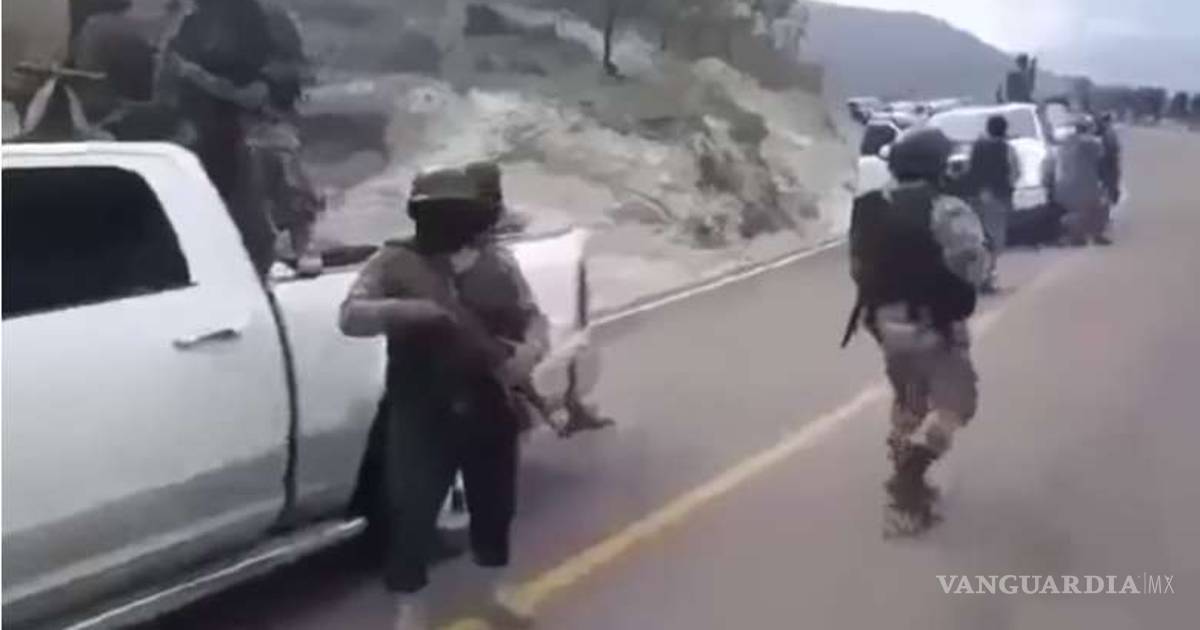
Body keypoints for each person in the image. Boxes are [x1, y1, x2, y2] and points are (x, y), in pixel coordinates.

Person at [339, 166, 546, 630]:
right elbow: (351, 316)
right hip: (420, 407)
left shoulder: (496, 263)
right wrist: (409, 311)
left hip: (489, 401)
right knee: (410, 513)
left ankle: (494, 592)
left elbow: (533, 318)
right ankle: (409, 610)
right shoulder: (394, 261)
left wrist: (529, 354)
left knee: (495, 506)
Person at [844, 128, 991, 537]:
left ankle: (910, 493)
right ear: (937, 167)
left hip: (886, 324)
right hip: (934, 324)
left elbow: (857, 266)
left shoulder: (868, 206)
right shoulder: (948, 209)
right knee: (955, 405)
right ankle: (910, 477)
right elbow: (972, 263)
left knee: (909, 402)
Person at [465, 159, 616, 437]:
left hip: (514, 293)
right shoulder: (491, 221)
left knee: (542, 343)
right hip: (505, 295)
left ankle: (562, 408)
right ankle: (559, 409)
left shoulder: (495, 220)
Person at [159, 0, 277, 274]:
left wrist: (196, 76)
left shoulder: (246, 22)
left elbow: (255, 93)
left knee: (244, 223)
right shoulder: (191, 23)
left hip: (230, 136)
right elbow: (169, 79)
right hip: (196, 135)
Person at [965, 114, 1020, 292]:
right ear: (1005, 130)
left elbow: (970, 169)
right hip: (997, 196)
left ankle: (978, 276)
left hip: (976, 196)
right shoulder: (1007, 148)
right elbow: (1014, 173)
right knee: (995, 239)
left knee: (979, 238)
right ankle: (987, 278)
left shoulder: (976, 147)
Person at [1056, 120, 1112, 246]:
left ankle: (1077, 236)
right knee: (1098, 208)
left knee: (1078, 210)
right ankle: (1095, 235)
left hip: (1066, 181)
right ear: (1089, 129)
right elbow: (1101, 158)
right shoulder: (1092, 142)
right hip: (1086, 180)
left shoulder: (1067, 142)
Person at [1096, 112, 1123, 206]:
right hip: (1109, 158)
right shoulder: (1109, 131)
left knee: (1109, 179)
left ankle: (1110, 195)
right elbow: (1116, 147)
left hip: (1107, 158)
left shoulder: (1106, 131)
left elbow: (1113, 147)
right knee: (1112, 178)